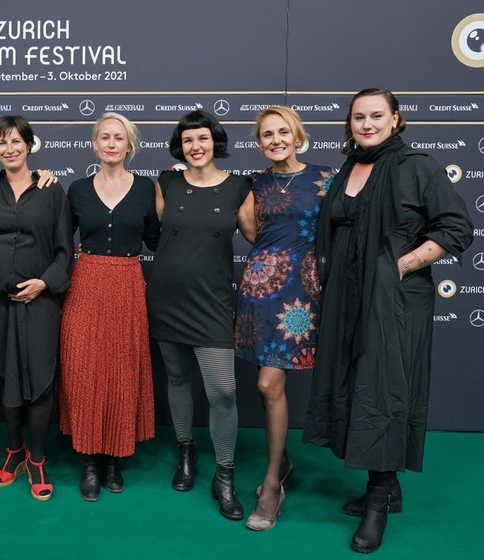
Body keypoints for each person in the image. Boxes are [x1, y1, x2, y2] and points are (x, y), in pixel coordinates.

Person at [303, 88, 473, 553]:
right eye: (359, 117)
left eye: (377, 115)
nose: (367, 124)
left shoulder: (416, 165)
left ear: (396, 119)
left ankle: (378, 501)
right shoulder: (349, 168)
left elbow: (457, 227)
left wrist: (402, 265)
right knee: (356, 383)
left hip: (393, 303)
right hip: (346, 300)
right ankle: (387, 487)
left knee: (384, 387)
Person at [146, 110, 254, 520]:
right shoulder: (167, 182)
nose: (196, 146)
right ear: (181, 145)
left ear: (216, 143)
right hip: (166, 300)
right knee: (176, 378)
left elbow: (257, 238)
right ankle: (186, 453)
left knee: (223, 392)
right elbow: (160, 230)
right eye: (189, 140)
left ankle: (224, 474)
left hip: (212, 304)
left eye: (203, 139)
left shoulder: (238, 188)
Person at [234, 106, 336, 530]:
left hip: (303, 296)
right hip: (261, 293)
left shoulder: (327, 178)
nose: (275, 140)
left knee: (267, 383)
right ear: (259, 143)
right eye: (266, 135)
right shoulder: (252, 184)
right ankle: (282, 464)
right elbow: (253, 233)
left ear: (297, 135)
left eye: (282, 132)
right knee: (268, 386)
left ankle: (272, 482)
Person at [59, 112, 159, 502]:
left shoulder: (148, 189)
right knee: (84, 369)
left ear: (129, 146)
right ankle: (87, 461)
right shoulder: (78, 189)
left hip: (128, 283)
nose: (112, 143)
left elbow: (157, 240)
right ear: (96, 144)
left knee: (121, 369)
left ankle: (114, 459)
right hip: (86, 283)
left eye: (119, 137)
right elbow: (60, 238)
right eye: (105, 137)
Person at [0, 115, 74, 502]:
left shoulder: (51, 190)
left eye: (17, 141)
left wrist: (45, 282)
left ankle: (36, 457)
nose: (10, 149)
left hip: (40, 301)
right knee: (3, 375)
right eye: (1, 143)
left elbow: (65, 248)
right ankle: (13, 451)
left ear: (30, 145)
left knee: (40, 376)